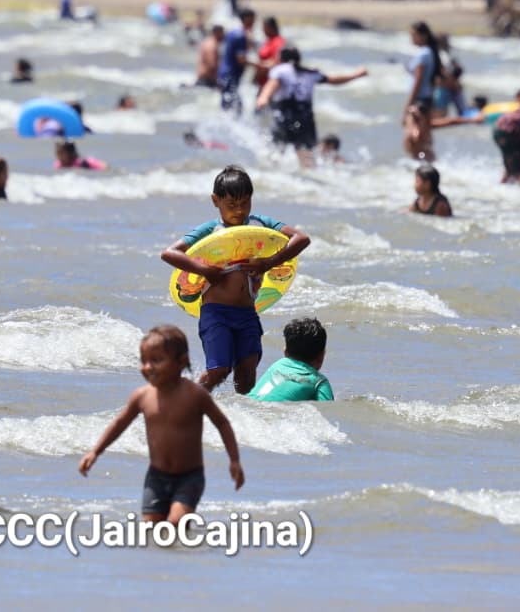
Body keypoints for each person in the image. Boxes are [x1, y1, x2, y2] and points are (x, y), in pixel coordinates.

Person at [161, 166, 311, 393]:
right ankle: (186, 401)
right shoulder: (211, 230)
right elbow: (170, 253)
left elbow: (301, 238)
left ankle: (240, 421)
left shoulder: (260, 224)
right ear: (215, 200)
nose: (239, 211)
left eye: (245, 204)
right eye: (231, 205)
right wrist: (205, 270)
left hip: (247, 314)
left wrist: (269, 262)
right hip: (216, 313)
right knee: (219, 370)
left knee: (247, 373)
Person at [79, 326, 244, 524]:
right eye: (144, 361)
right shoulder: (142, 396)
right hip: (156, 477)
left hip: (189, 477)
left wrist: (234, 460)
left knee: (177, 522)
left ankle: (187, 553)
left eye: (156, 360)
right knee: (152, 527)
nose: (148, 367)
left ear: (181, 361)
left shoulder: (195, 395)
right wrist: (95, 452)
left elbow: (222, 424)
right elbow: (119, 423)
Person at [254, 46, 367, 168]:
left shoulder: (280, 70)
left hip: (286, 117)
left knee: (276, 153)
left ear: (281, 58)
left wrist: (263, 97)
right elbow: (333, 80)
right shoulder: (310, 73)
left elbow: (273, 83)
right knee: (307, 158)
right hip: (305, 119)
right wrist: (355, 75)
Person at [250, 317, 334, 401]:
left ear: (285, 351)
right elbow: (328, 412)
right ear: (321, 356)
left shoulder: (277, 365)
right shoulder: (319, 382)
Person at [402, 102, 482, 162]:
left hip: (426, 159)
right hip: (417, 161)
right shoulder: (413, 127)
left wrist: (472, 120)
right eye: (417, 117)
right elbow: (415, 135)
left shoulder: (428, 124)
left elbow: (451, 121)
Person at [218, 8, 256, 113]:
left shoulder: (233, 33)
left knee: (228, 104)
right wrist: (259, 65)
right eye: (252, 19)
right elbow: (241, 60)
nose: (254, 22)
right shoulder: (240, 36)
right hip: (230, 74)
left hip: (224, 73)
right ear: (246, 19)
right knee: (235, 107)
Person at [405, 21, 442, 112]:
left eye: (414, 35)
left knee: (414, 126)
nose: (412, 38)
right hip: (426, 96)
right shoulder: (429, 52)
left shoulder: (423, 54)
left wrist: (409, 103)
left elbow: (418, 80)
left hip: (420, 98)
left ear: (424, 36)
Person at [432, 35, 468, 116]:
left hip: (443, 88)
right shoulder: (444, 55)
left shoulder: (441, 55)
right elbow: (446, 71)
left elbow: (444, 71)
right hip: (445, 87)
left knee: (439, 114)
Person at [252, 16, 286, 89]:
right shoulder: (268, 41)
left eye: (264, 27)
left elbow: (277, 62)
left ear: (271, 27)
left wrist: (258, 74)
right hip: (263, 83)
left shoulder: (278, 42)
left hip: (271, 85)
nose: (262, 30)